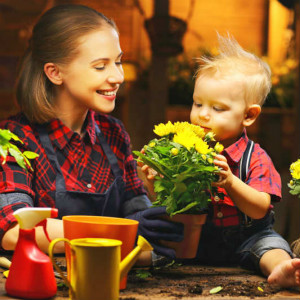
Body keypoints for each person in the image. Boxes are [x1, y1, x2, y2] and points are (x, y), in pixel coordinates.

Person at [0, 4, 183, 260]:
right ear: (55, 72)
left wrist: (168, 196)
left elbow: (138, 216)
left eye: (118, 61)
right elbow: (15, 231)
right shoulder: (15, 138)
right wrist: (117, 232)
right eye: (100, 66)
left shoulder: (114, 133)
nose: (118, 76)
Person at [142, 34, 300, 287]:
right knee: (155, 244)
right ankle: (115, 259)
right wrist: (154, 182)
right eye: (197, 103)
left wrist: (230, 182)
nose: (203, 115)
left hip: (246, 238)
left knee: (271, 245)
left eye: (217, 108)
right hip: (195, 240)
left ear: (249, 115)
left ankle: (282, 269)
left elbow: (261, 208)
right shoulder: (183, 150)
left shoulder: (255, 157)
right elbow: (168, 203)